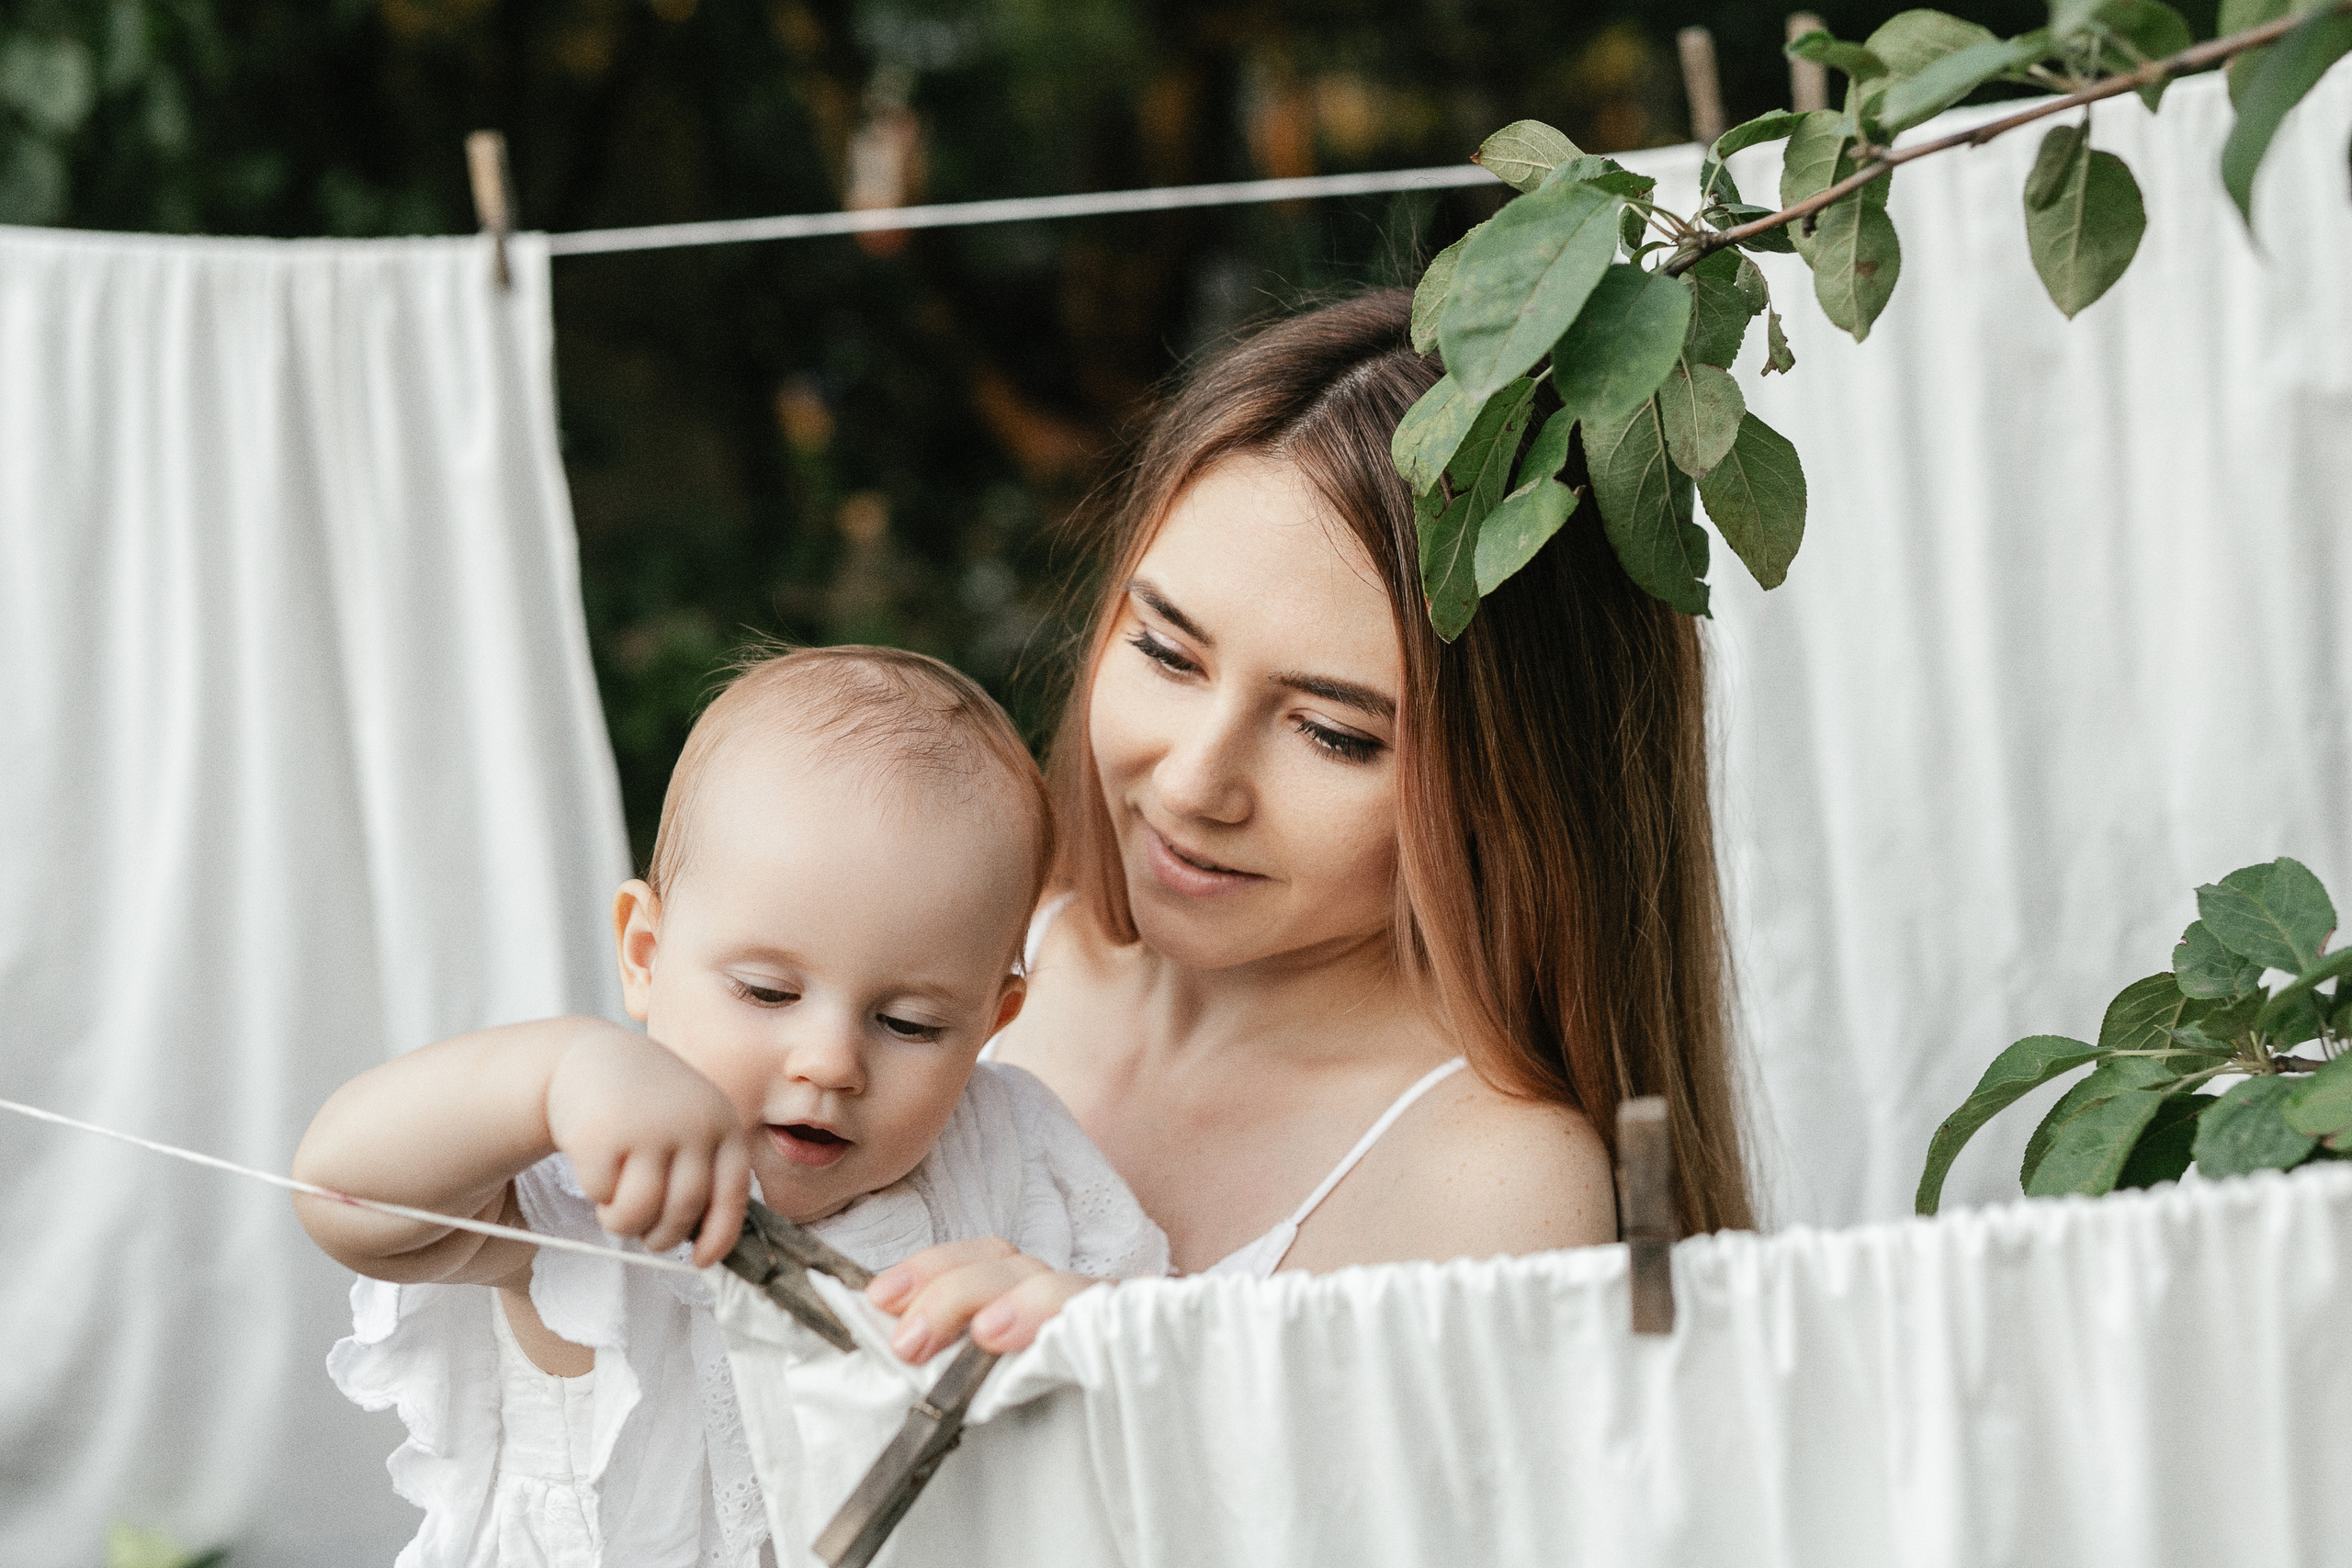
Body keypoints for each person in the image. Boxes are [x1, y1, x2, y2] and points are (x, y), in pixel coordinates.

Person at [859, 288, 1754, 1368]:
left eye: (1332, 734)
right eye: (1167, 655)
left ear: (1517, 791)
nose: (1194, 785)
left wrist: (1139, 1391)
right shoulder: (965, 963)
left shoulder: (1490, 1177)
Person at [291, 647, 1167, 1568]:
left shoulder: (1015, 1153)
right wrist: (552, 1073)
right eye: (764, 992)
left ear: (995, 1017)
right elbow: (342, 1199)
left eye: (909, 1025)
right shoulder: (595, 1174)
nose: (830, 1062)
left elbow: (1173, 1387)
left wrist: (1081, 1324)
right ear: (644, 952)